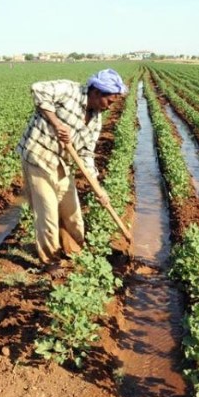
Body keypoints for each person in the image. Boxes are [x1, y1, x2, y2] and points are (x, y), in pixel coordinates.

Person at [16, 68, 127, 270]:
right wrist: (57, 123)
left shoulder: (96, 120)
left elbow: (85, 154)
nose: (110, 107)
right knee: (48, 213)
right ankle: (51, 263)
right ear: (96, 93)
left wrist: (97, 188)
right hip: (39, 157)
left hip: (62, 162)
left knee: (73, 213)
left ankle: (75, 254)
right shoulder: (70, 90)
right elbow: (37, 89)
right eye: (109, 101)